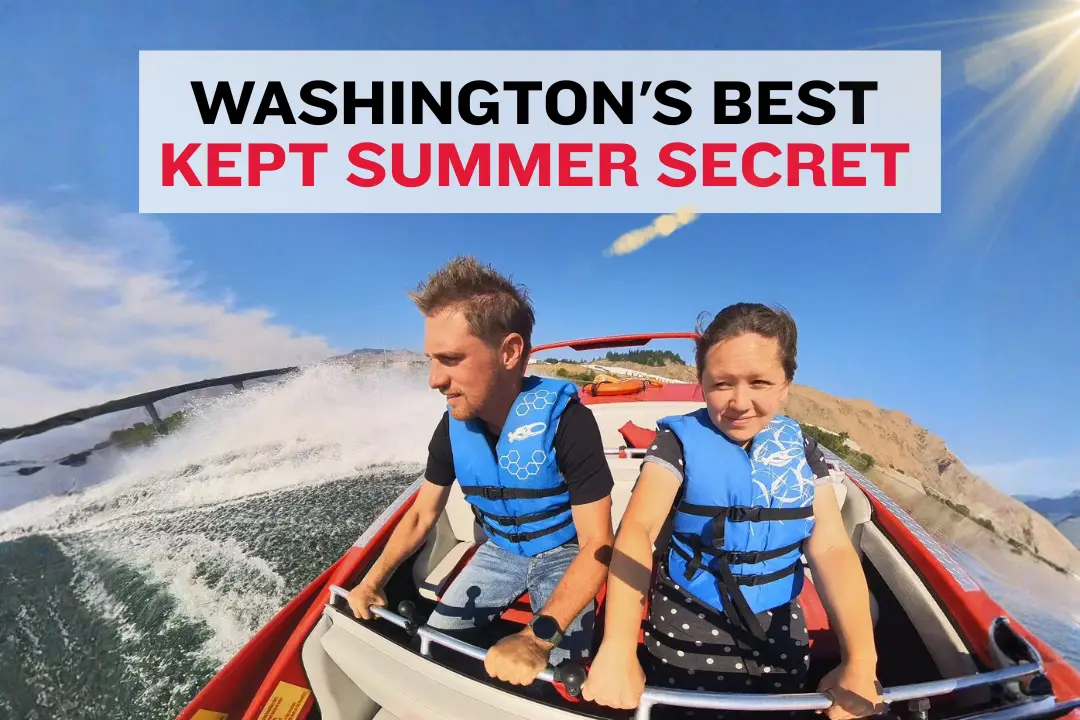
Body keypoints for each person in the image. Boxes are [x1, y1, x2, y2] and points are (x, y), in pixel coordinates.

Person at [581, 303, 883, 720]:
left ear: (785, 384)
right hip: (687, 623)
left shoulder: (801, 451)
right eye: (722, 384)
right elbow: (637, 531)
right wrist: (617, 648)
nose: (740, 402)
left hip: (779, 629)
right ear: (701, 381)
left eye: (759, 382)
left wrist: (861, 664)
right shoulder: (676, 443)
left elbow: (830, 547)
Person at [347, 255, 615, 688]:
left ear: (509, 352)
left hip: (564, 554)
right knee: (435, 651)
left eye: (450, 359)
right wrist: (372, 580)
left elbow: (598, 544)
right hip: (499, 550)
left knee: (561, 677)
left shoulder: (569, 422)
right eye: (431, 360)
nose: (434, 380)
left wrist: (536, 639)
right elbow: (420, 516)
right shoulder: (452, 426)